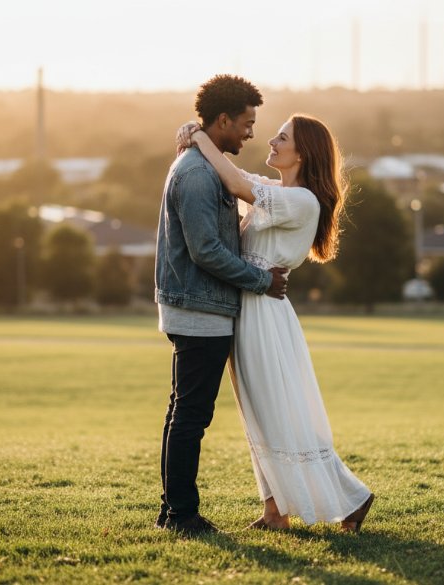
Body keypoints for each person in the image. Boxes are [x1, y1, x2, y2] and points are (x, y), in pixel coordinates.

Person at [175, 113, 375, 532]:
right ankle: (274, 511)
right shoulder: (279, 191)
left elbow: (235, 183)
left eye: (281, 137)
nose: (271, 140)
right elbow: (237, 175)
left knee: (274, 411)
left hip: (264, 313)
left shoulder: (302, 201)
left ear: (302, 153)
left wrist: (198, 135)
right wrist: (194, 139)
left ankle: (352, 497)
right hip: (249, 306)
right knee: (257, 413)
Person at [154, 75, 289, 536]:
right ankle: (182, 516)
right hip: (198, 310)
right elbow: (205, 251)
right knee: (191, 414)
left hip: (201, 307)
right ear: (223, 120)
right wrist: (261, 281)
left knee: (184, 411)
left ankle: (172, 509)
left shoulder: (205, 166)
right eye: (247, 123)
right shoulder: (195, 174)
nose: (251, 133)